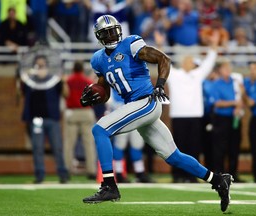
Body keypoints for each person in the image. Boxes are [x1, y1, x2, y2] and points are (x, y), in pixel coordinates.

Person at [80, 15, 233, 213]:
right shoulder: (98, 59)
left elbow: (163, 59)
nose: (110, 36)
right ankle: (219, 180)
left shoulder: (130, 44)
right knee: (173, 156)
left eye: (112, 31)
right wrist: (93, 98)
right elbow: (105, 92)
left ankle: (109, 185)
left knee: (100, 130)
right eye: (105, 33)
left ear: (119, 30)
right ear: (99, 37)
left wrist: (159, 85)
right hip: (136, 107)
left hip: (145, 101)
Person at [166, 33, 218, 183]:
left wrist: (214, 46)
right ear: (183, 63)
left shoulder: (198, 74)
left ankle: (193, 176)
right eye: (188, 61)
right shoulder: (175, 74)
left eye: (192, 62)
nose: (190, 63)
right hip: (179, 117)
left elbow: (209, 62)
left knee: (194, 148)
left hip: (195, 116)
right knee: (178, 149)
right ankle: (177, 175)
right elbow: (162, 62)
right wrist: (160, 44)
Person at [21, 55, 69, 183]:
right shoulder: (30, 81)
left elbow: (65, 94)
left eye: (42, 66)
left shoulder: (54, 80)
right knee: (37, 148)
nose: (40, 68)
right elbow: (20, 94)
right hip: (36, 119)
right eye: (38, 66)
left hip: (52, 118)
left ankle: (63, 174)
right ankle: (39, 175)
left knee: (57, 147)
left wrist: (63, 81)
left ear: (47, 67)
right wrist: (20, 77)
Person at [210, 60, 244, 183]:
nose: (228, 70)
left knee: (234, 147)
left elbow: (241, 98)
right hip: (221, 120)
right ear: (220, 70)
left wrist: (239, 107)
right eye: (225, 68)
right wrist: (233, 103)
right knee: (220, 148)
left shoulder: (235, 82)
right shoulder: (216, 84)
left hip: (234, 119)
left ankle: (233, 174)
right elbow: (217, 103)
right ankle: (220, 175)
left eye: (229, 67)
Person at [109, 90, 153, 183]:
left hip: (136, 117)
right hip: (121, 117)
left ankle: (140, 173)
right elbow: (110, 101)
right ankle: (119, 173)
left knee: (137, 145)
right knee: (120, 145)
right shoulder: (113, 83)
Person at [64, 61, 97, 180]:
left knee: (69, 144)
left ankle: (66, 170)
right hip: (86, 112)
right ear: (82, 69)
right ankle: (91, 171)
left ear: (73, 69)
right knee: (88, 144)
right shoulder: (87, 81)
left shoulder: (68, 80)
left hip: (72, 112)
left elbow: (65, 94)